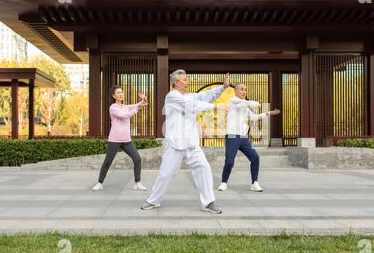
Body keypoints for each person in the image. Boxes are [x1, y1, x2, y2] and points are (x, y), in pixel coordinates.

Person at [141, 69, 229, 214]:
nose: (188, 82)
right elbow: (191, 106)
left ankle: (209, 202)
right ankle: (153, 200)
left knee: (204, 167)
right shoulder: (171, 96)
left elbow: (205, 96)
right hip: (175, 142)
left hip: (191, 143)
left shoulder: (190, 96)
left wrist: (223, 87)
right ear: (177, 82)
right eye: (185, 79)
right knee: (166, 173)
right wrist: (216, 106)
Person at [217, 83, 280, 192]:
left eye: (245, 90)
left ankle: (254, 183)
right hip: (232, 137)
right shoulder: (233, 101)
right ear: (235, 91)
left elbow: (254, 118)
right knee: (230, 162)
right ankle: (224, 182)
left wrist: (268, 113)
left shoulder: (245, 107)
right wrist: (256, 103)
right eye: (241, 89)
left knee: (255, 157)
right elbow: (246, 103)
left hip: (243, 138)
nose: (244, 92)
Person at [92, 85, 149, 191]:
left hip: (127, 140)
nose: (121, 94)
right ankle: (99, 183)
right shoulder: (113, 107)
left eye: (121, 92)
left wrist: (144, 99)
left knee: (137, 159)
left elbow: (141, 104)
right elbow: (125, 116)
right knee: (108, 162)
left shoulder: (125, 106)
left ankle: (137, 183)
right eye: (118, 93)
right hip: (114, 140)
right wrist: (137, 108)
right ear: (114, 96)